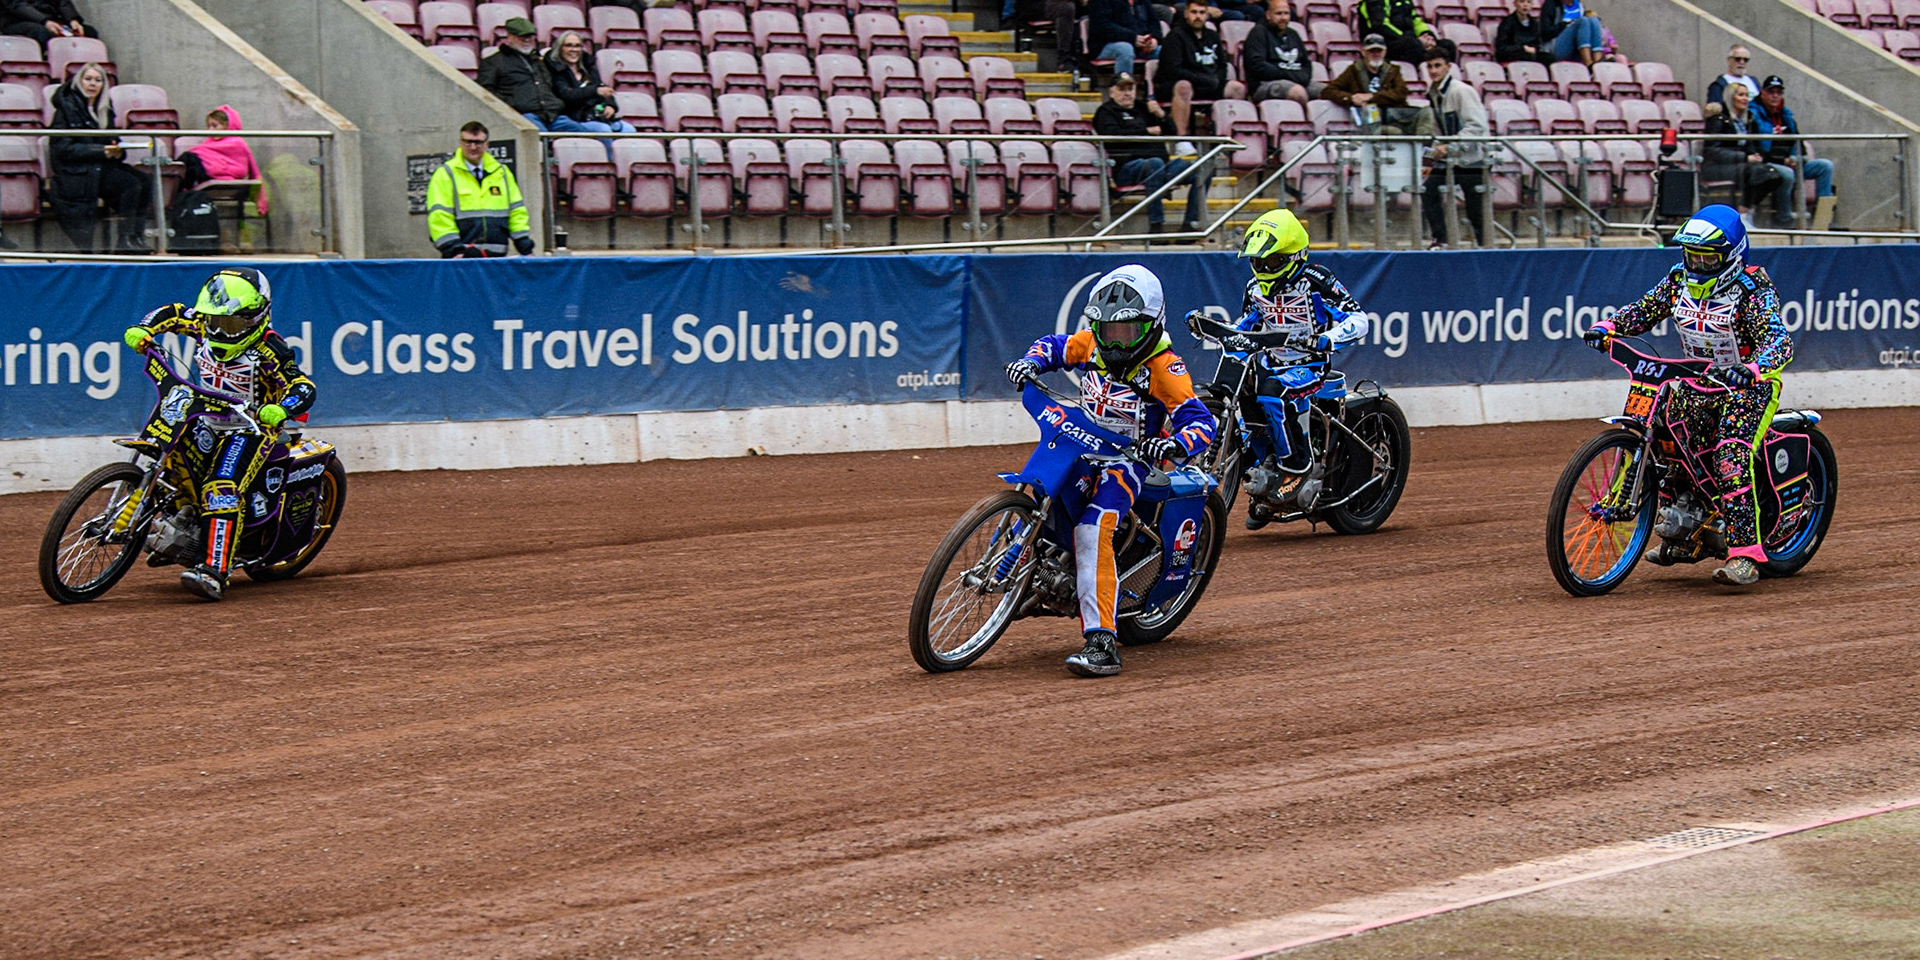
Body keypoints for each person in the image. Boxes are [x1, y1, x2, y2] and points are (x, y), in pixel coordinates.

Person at [1002, 265, 1216, 676]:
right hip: (1080, 443)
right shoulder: (1090, 345)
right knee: (1038, 490)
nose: (1114, 340)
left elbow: (1202, 422)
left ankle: (1102, 640)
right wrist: (1028, 363)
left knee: (1091, 529)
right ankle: (1012, 575)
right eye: (1106, 329)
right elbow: (1053, 345)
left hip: (1128, 462)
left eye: (1127, 331)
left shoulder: (1164, 368)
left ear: (1152, 326)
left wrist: (1172, 442)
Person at [1582, 205, 1793, 587]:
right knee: (1665, 439)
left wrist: (1752, 369)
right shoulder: (1679, 278)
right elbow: (1646, 309)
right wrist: (1609, 326)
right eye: (1691, 254)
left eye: (1706, 256)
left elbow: (1778, 341)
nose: (1696, 262)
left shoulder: (1752, 289)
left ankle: (1746, 554)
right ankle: (1682, 536)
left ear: (1730, 255)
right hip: (1696, 383)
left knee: (1730, 458)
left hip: (1746, 389)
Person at [121, 268, 317, 601]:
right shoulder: (205, 323)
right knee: (168, 454)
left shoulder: (272, 349)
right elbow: (172, 313)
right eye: (212, 322)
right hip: (205, 414)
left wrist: (281, 409)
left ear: (255, 318)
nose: (216, 330)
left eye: (228, 325)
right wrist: (144, 328)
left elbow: (303, 387)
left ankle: (214, 570)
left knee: (220, 486)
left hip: (250, 428)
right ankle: (176, 527)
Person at [1210, 209, 1369, 522]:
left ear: (1295, 256)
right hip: (1272, 362)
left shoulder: (1317, 281)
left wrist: (1329, 339)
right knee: (1244, 391)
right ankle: (1265, 472)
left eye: (1272, 261)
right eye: (1258, 262)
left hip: (1309, 365)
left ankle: (1296, 465)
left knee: (1273, 393)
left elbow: (1357, 318)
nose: (1264, 268)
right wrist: (1223, 331)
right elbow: (1248, 325)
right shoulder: (1254, 289)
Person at [47, 62, 148, 253]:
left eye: (98, 80)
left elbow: (113, 141)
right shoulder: (66, 109)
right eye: (88, 79)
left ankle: (136, 237)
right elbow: (63, 150)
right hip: (76, 173)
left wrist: (118, 150)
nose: (93, 84)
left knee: (145, 181)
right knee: (130, 184)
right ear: (79, 82)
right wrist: (101, 151)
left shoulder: (104, 110)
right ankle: (123, 240)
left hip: (99, 168)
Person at [1093, 73, 1208, 233]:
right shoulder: (1106, 112)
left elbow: (1172, 133)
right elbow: (1112, 136)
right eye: (1122, 89)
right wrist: (1145, 131)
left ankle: (1191, 224)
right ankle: (1156, 225)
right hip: (1127, 168)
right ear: (1112, 91)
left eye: (1130, 88)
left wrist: (1162, 115)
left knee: (1202, 169)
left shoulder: (1145, 108)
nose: (1127, 93)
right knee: (1154, 164)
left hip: (1162, 167)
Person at [426, 121, 535, 257]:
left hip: (496, 258)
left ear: (487, 144)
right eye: (468, 142)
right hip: (461, 258)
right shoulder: (445, 174)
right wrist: (453, 249)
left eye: (478, 143)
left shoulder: (502, 173)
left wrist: (525, 247)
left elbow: (516, 212)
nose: (473, 147)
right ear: (460, 143)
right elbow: (440, 216)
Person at [1420, 44, 1488, 248]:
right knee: (1428, 190)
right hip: (1451, 158)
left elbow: (1476, 126)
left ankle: (1484, 245)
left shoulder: (1462, 91)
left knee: (1475, 208)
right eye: (1430, 66)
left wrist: (1450, 146)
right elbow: (1437, 131)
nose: (1433, 71)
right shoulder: (1432, 94)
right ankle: (1441, 239)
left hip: (1472, 158)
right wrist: (1433, 156)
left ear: (1448, 67)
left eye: (1437, 66)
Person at [1753, 75, 1836, 231]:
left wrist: (1799, 158)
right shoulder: (1754, 114)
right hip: (1768, 164)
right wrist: (1783, 160)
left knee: (1825, 166)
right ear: (1763, 93)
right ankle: (1783, 220)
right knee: (1787, 174)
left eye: (1779, 92)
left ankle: (1823, 220)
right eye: (1771, 92)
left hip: (1791, 161)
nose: (1775, 96)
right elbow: (1756, 147)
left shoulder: (1786, 116)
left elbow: (1798, 141)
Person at [478, 17, 591, 132]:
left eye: (530, 36)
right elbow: (486, 93)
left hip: (553, 116)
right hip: (523, 116)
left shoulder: (537, 61)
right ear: (509, 36)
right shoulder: (493, 62)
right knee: (541, 140)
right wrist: (512, 105)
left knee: (589, 137)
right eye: (522, 37)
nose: (527, 40)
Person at [1158, 0, 1245, 148]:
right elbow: (1173, 70)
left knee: (1237, 88)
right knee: (1184, 86)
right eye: (1194, 12)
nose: (1198, 16)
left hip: (1208, 84)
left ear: (1207, 15)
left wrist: (1217, 79)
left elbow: (1222, 65)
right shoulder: (1175, 36)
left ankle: (1228, 138)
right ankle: (1181, 141)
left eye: (1202, 13)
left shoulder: (1212, 36)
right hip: (1178, 84)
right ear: (1186, 14)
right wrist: (1204, 79)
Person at [1701, 83, 1782, 224]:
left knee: (1773, 175)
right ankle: (1743, 216)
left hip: (1741, 164)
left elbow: (1751, 145)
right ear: (1731, 97)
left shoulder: (1747, 120)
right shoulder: (1718, 120)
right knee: (1755, 172)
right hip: (1715, 167)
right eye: (1741, 95)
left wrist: (1756, 155)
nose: (1745, 99)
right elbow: (1711, 151)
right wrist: (1745, 157)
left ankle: (1745, 209)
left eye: (1747, 95)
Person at [1323, 33, 1428, 134]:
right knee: (1392, 131)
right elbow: (1329, 91)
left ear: (1385, 52)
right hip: (1370, 116)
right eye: (1371, 51)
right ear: (1363, 52)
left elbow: (1401, 93)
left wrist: (1371, 97)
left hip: (1394, 114)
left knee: (1426, 113)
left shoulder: (1393, 70)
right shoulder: (1353, 70)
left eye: (1379, 51)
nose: (1376, 54)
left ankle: (1426, 148)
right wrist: (1351, 98)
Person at [179, 105, 268, 218]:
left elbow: (253, 171)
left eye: (215, 126)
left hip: (221, 178)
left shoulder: (237, 143)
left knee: (188, 159)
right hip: (204, 179)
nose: (210, 130)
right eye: (208, 126)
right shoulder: (207, 144)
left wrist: (260, 201)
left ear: (227, 126)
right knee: (185, 161)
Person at [546, 31, 637, 134]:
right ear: (560, 48)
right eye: (568, 46)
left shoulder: (588, 66)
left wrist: (610, 105)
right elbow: (566, 94)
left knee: (629, 129)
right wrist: (595, 91)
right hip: (575, 118)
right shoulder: (555, 70)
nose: (573, 50)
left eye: (577, 46)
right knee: (604, 130)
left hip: (597, 115)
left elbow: (602, 87)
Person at [1242, 0, 1317, 106]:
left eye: (1286, 13)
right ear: (1268, 15)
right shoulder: (1258, 33)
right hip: (1264, 84)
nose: (1283, 18)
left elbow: (1306, 64)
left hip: (1294, 80)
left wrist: (1300, 77)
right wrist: (1288, 75)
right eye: (1278, 13)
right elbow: (1257, 65)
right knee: (1297, 92)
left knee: (1328, 92)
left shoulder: (1293, 34)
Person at [1088, 0, 1161, 81]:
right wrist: (1132, 38)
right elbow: (1102, 26)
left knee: (1164, 51)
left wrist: (1155, 39)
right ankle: (1123, 88)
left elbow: (1154, 22)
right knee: (1125, 49)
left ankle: (1160, 90)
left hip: (1142, 45)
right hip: (1106, 45)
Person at [1, 0, 96, 54]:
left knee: (89, 32)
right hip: (16, 21)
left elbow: (63, 2)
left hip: (50, 19)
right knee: (40, 32)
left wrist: (73, 20)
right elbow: (18, 6)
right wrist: (45, 21)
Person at [1355, 0, 1431, 68]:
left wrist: (1426, 35)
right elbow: (1380, 25)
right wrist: (1413, 39)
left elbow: (1415, 20)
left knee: (1441, 45)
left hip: (1407, 40)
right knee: (1413, 45)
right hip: (1382, 42)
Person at [1494, 0, 1557, 65]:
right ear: (1515, 4)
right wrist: (1523, 48)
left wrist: (1534, 49)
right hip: (1512, 54)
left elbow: (1537, 43)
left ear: (1532, 5)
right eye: (1522, 1)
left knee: (1549, 58)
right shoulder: (1507, 23)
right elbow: (1502, 48)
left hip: (1530, 53)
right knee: (1529, 57)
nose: (1525, 5)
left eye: (1529, 2)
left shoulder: (1534, 23)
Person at [1544, 0, 1604, 66]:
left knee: (1594, 20)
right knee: (1583, 21)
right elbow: (1545, 32)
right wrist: (1566, 25)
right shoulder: (1551, 4)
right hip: (1556, 46)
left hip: (1577, 48)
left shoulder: (1579, 5)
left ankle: (1598, 63)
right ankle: (1588, 63)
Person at [1704, 44, 1759, 111]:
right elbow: (1714, 112)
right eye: (1738, 59)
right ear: (1729, 61)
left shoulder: (1754, 81)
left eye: (1745, 60)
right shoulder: (1718, 85)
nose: (1742, 62)